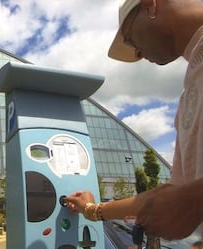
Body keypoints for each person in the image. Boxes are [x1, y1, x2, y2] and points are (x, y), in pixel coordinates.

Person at [64, 0, 203, 241]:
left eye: (129, 39)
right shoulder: (187, 96)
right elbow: (176, 191)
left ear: (150, 5)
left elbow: (186, 197)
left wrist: (194, 199)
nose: (137, 53)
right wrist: (93, 210)